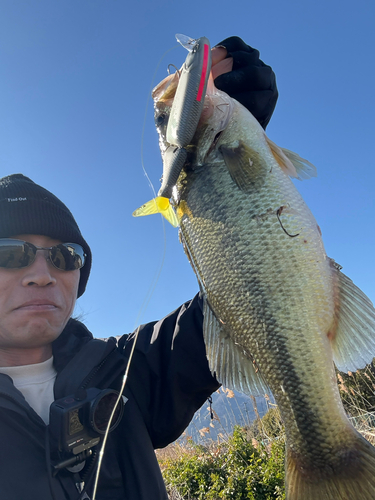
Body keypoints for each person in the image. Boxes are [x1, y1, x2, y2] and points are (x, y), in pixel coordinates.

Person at [0, 37, 278, 500]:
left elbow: (248, 292)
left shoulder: (128, 371)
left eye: (66, 255)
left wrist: (228, 153)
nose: (43, 274)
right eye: (11, 254)